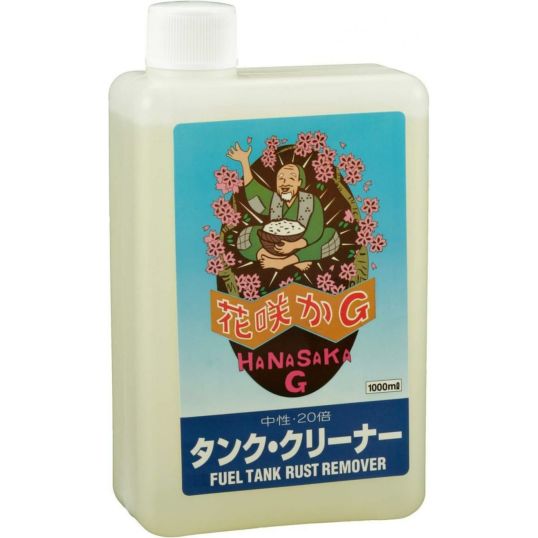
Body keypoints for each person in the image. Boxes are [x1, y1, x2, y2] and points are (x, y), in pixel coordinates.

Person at [227, 143, 340, 271]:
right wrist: (244, 162)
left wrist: (294, 245)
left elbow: (316, 230)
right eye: (281, 179)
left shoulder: (311, 201)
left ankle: (284, 262)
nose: (285, 182)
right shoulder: (274, 199)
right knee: (245, 237)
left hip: (302, 245)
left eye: (291, 178)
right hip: (275, 245)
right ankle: (291, 261)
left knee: (332, 237)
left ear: (299, 183)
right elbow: (255, 194)